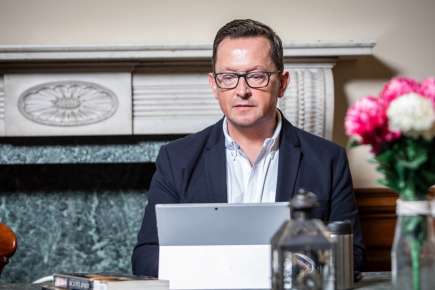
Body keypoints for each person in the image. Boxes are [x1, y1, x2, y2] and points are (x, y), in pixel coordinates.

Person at [132, 19, 365, 277]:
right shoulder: (176, 159)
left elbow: (352, 256)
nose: (242, 90)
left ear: (283, 83)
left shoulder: (328, 160)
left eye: (256, 76)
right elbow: (145, 256)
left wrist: (295, 268)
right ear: (214, 84)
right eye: (229, 77)